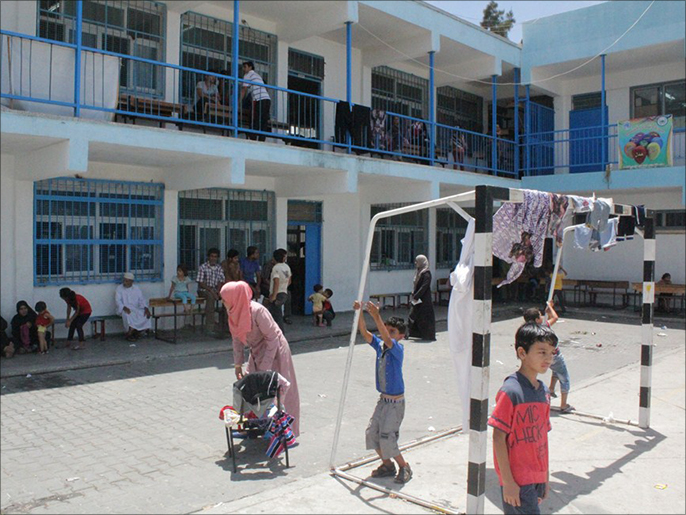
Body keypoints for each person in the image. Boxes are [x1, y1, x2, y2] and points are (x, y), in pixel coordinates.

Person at [489, 322, 556, 514]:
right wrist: (508, 481)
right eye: (542, 352)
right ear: (522, 353)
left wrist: (545, 476)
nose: (548, 358)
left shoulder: (543, 391)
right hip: (517, 479)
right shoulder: (511, 391)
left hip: (537, 476)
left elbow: (542, 438)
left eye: (552, 353)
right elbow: (498, 438)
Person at [220, 281, 300, 436]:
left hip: (275, 351)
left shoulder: (258, 311)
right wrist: (238, 365)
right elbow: (236, 340)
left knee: (277, 389)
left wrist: (264, 368)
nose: (223, 302)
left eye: (225, 299)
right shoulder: (233, 312)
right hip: (257, 351)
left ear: (235, 298)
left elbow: (272, 339)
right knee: (251, 387)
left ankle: (285, 433)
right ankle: (255, 426)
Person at [352, 299, 412, 484]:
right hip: (383, 400)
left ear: (401, 336)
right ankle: (387, 465)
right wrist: (359, 313)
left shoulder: (397, 349)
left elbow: (387, 339)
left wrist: (376, 316)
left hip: (395, 404)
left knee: (387, 437)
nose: (387, 333)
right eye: (386, 329)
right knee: (372, 433)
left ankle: (404, 466)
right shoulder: (380, 346)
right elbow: (365, 333)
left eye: (392, 331)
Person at [524, 302, 573, 413]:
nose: (542, 316)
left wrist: (548, 311)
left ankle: (551, 389)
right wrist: (550, 306)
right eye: (540, 315)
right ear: (537, 320)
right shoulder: (544, 327)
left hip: (541, 357)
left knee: (555, 371)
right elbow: (555, 317)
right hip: (554, 355)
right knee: (564, 378)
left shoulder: (530, 331)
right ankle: (564, 405)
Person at [115, 273, 151, 342]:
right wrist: (124, 307)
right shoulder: (119, 288)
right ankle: (129, 332)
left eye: (127, 281)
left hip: (135, 308)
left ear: (131, 282)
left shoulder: (136, 288)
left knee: (144, 314)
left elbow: (141, 299)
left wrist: (146, 308)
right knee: (128, 315)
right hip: (124, 308)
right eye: (124, 280)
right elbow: (118, 301)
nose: (125, 282)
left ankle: (137, 331)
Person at [240, 61, 271, 141]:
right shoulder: (257, 75)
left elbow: (244, 89)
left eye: (245, 67)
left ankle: (253, 138)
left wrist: (238, 101)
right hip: (267, 99)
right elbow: (265, 88)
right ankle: (261, 140)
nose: (243, 69)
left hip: (259, 99)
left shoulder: (248, 75)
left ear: (250, 67)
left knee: (255, 119)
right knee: (263, 121)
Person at [197, 248, 226, 334]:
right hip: (204, 290)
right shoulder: (203, 267)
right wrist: (212, 291)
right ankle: (209, 328)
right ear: (208, 257)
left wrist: (218, 291)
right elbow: (201, 283)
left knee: (227, 298)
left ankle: (225, 325)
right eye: (212, 256)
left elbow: (221, 281)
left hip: (215, 290)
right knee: (210, 297)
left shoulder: (219, 268)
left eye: (215, 257)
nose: (213, 258)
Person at [407, 255, 436, 341]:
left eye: (417, 261)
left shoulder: (426, 273)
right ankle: (411, 333)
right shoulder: (418, 272)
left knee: (424, 318)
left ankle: (427, 335)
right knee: (413, 315)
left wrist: (416, 296)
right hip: (417, 299)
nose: (415, 263)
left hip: (424, 300)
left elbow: (424, 286)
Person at [268, 248, 292, 332]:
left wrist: (273, 296)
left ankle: (279, 334)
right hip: (284, 293)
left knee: (276, 316)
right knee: (276, 314)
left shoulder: (276, 268)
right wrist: (284, 287)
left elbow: (276, 282)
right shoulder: (286, 267)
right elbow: (289, 281)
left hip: (277, 293)